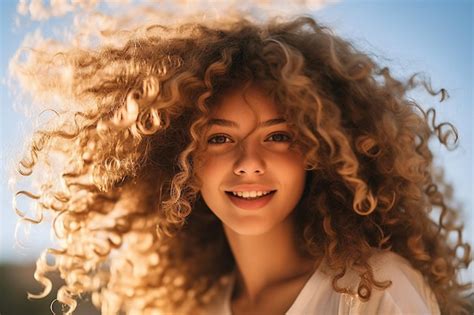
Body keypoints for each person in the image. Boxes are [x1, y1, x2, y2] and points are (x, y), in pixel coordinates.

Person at [10, 13, 472, 315]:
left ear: (317, 150)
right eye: (219, 138)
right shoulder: (194, 309)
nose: (248, 163)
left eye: (277, 136)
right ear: (184, 163)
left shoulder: (375, 291)